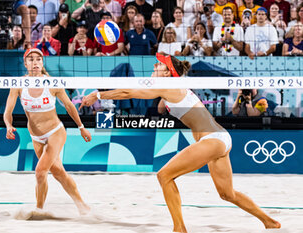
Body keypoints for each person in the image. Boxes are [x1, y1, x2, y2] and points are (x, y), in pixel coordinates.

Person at [79, 53, 281, 233]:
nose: (153, 68)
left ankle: (179, 229)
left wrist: (98, 95)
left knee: (164, 175)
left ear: (168, 73)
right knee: (227, 194)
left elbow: (127, 93)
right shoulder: (172, 87)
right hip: (220, 138)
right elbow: (157, 103)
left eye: (158, 66)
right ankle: (269, 222)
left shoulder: (168, 85)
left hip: (212, 139)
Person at [4, 48, 92, 215]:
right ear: (25, 64)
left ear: (42, 63)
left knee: (40, 172)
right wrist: (8, 125)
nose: (35, 62)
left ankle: (39, 210)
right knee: (58, 173)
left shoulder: (52, 83)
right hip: (36, 136)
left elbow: (69, 106)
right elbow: (8, 111)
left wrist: (81, 128)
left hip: (55, 132)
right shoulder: (18, 84)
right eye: (31, 59)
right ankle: (82, 206)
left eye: (38, 59)